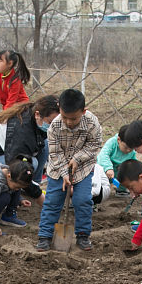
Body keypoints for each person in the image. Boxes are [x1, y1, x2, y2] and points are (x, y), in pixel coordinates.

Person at [36, 88, 103, 252]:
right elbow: (55, 153)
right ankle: (44, 236)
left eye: (73, 118)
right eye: (65, 117)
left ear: (83, 111)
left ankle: (82, 235)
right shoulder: (54, 127)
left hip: (83, 168)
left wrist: (77, 158)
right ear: (59, 109)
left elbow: (94, 145)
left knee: (83, 201)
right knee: (52, 202)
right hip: (58, 169)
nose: (69, 122)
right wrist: (65, 174)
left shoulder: (92, 123)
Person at [98, 127, 138, 194]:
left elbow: (133, 162)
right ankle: (99, 190)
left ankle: (121, 189)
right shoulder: (112, 143)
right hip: (105, 169)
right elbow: (103, 155)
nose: (128, 151)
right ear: (119, 140)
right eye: (126, 148)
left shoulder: (132, 152)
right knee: (100, 181)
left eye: (131, 149)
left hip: (118, 171)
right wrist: (108, 168)